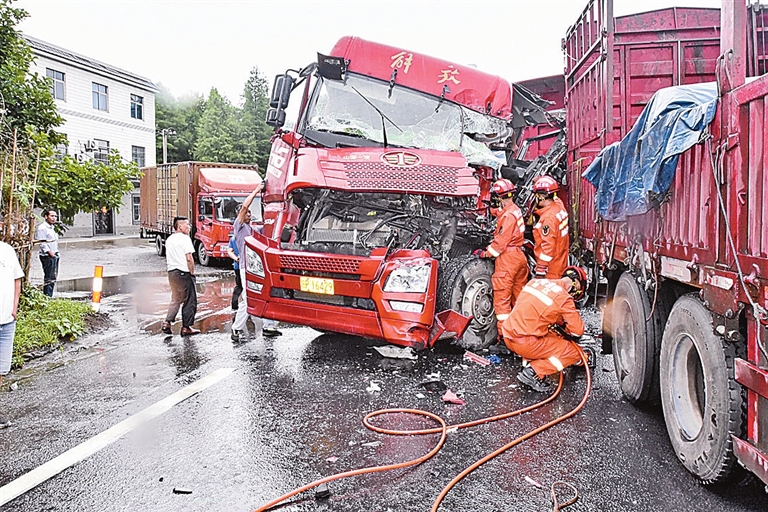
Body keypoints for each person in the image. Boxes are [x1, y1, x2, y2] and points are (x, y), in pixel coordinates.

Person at [501, 266, 587, 393]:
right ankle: (534, 372)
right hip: (526, 344)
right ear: (576, 284)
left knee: (551, 335)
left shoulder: (535, 282)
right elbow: (577, 331)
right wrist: (581, 358)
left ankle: (528, 361)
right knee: (573, 353)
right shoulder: (563, 297)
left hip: (508, 336)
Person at [474, 179, 529, 335]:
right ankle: (522, 332)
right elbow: (504, 214)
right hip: (519, 256)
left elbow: (499, 243)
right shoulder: (514, 210)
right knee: (518, 298)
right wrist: (492, 210)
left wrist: (485, 253)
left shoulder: (507, 216)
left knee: (502, 301)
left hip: (507, 260)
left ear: (498, 197)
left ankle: (506, 338)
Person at [231, 183, 281, 342]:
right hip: (246, 269)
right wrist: (257, 190)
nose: (249, 215)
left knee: (267, 296)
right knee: (248, 300)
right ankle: (236, 329)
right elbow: (245, 206)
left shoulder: (253, 230)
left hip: (259, 270)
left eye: (250, 213)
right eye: (246, 213)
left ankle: (269, 326)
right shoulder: (238, 227)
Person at [160, 216, 200, 336]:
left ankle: (167, 322)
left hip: (172, 272)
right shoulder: (185, 239)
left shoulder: (170, 239)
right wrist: (191, 272)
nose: (189, 227)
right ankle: (186, 327)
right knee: (189, 300)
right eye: (187, 225)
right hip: (184, 272)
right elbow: (189, 258)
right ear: (180, 226)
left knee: (176, 298)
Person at [0, 241, 24, 428]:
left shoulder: (7, 250)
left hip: (7, 321)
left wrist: (14, 308)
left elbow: (17, 279)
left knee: (0, 370)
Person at [531, 176, 570, 279]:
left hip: (551, 267)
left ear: (541, 196)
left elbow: (548, 245)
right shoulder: (559, 205)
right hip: (560, 260)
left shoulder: (548, 218)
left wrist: (541, 268)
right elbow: (555, 196)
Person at [35, 208, 59, 297]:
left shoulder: (52, 227)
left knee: (53, 277)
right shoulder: (42, 228)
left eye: (55, 216)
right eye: (52, 216)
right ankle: (47, 296)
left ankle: (50, 295)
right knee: (49, 277)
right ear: (46, 216)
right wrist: (50, 253)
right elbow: (42, 243)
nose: (54, 218)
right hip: (47, 256)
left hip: (54, 254)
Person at [226, 232, 243, 314]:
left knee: (239, 286)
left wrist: (236, 259)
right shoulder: (247, 237)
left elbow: (229, 251)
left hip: (237, 266)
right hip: (246, 267)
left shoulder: (233, 238)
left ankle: (234, 305)